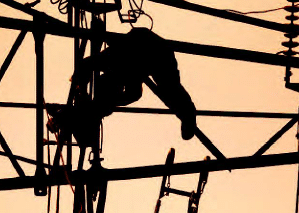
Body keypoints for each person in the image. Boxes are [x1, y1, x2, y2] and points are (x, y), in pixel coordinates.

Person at [48, 28, 198, 149]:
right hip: (145, 54)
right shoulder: (117, 73)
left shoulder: (115, 59)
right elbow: (133, 94)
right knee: (168, 89)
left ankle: (188, 115)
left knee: (169, 89)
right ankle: (187, 115)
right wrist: (81, 92)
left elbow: (86, 65)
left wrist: (79, 89)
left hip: (149, 51)